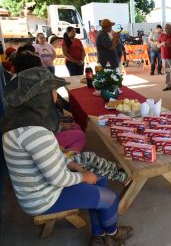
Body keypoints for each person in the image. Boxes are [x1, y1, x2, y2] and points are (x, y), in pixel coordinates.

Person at [0, 66, 133, 245]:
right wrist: (83, 175)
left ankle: (99, 236)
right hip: (43, 198)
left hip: (38, 189)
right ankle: (113, 232)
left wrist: (76, 166)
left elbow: (53, 157)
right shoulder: (35, 132)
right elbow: (58, 178)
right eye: (52, 90)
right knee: (110, 198)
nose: (55, 93)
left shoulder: (20, 123)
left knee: (99, 180)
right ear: (43, 96)